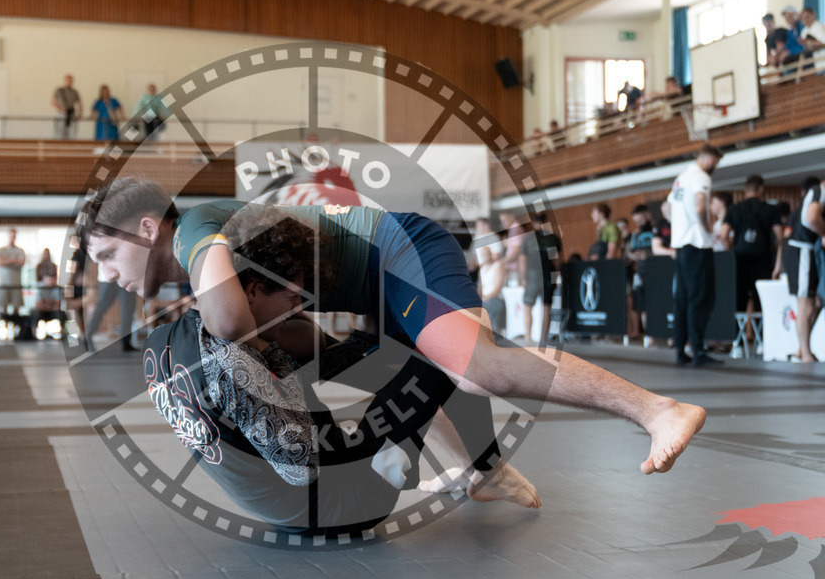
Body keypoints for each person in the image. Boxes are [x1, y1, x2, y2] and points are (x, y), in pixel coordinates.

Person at [80, 177, 707, 477]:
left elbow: (226, 318)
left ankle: (656, 409)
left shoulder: (192, 230)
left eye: (107, 257)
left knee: (477, 368)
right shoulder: (199, 250)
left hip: (396, 249)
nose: (111, 276)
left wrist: (213, 340)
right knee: (362, 360)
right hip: (366, 283)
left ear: (145, 229)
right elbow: (292, 339)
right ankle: (481, 476)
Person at [139, 211, 538, 535]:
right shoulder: (235, 362)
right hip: (345, 505)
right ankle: (484, 469)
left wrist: (342, 350)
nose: (298, 307)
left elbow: (313, 363)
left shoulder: (160, 342)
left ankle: (479, 467)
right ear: (252, 289)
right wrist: (272, 354)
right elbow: (301, 466)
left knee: (374, 357)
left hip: (282, 508)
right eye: (292, 297)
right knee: (434, 358)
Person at [669, 144, 723, 367]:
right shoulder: (701, 176)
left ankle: (681, 350)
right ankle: (699, 351)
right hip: (698, 244)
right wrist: (706, 230)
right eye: (716, 163)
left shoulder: (681, 177)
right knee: (700, 299)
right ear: (710, 159)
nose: (715, 167)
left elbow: (667, 207)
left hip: (681, 244)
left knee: (682, 299)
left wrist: (679, 228)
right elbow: (701, 207)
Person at [720, 176, 783, 318]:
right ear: (761, 188)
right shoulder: (770, 210)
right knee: (762, 302)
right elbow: (780, 237)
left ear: (745, 189)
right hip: (763, 262)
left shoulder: (733, 210)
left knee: (739, 300)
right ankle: (762, 337)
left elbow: (723, 235)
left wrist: (730, 250)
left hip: (740, 262)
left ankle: (739, 338)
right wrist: (774, 252)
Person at [783, 177, 824, 362]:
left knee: (815, 303)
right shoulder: (819, 191)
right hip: (802, 251)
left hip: (804, 252)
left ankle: (802, 349)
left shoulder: (814, 193)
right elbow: (812, 217)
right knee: (805, 305)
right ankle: (805, 354)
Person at [520, 212, 562, 345]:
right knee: (546, 307)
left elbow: (522, 260)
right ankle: (543, 338)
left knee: (528, 306)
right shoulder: (554, 238)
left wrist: (523, 278)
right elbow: (558, 261)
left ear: (533, 222)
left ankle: (528, 336)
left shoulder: (527, 238)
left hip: (532, 274)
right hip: (548, 274)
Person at [85, 265, 137, 352]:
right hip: (107, 277)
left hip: (126, 277)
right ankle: (88, 336)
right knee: (101, 308)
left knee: (128, 309)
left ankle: (126, 342)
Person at [625, 205, 655, 335]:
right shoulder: (635, 234)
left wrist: (648, 255)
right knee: (642, 304)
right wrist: (633, 255)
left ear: (647, 215)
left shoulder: (656, 230)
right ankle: (648, 333)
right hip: (640, 271)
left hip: (655, 271)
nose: (639, 223)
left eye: (641, 220)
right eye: (636, 221)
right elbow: (630, 251)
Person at [0, 228, 26, 318]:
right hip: (4, 283)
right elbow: (0, 262)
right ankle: (5, 326)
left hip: (16, 283)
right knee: (3, 307)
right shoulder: (1, 250)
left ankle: (16, 327)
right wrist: (14, 260)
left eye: (14, 236)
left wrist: (7, 261)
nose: (12, 237)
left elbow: (21, 262)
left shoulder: (20, 251)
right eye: (11, 235)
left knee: (16, 307)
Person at [477, 245, 506, 337]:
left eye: (487, 254)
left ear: (491, 254)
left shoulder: (498, 267)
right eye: (483, 254)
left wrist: (484, 299)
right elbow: (480, 288)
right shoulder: (482, 269)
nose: (485, 256)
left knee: (486, 307)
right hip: (485, 299)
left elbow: (497, 289)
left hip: (496, 299)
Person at [30, 273, 66, 339]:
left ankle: (63, 334)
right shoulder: (39, 288)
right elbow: (38, 305)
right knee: (34, 312)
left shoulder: (58, 289)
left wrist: (45, 303)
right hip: (43, 311)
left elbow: (58, 305)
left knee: (61, 313)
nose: (50, 281)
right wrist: (51, 304)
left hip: (52, 311)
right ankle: (33, 335)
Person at [52, 74, 82, 140]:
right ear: (65, 81)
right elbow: (53, 102)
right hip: (61, 114)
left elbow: (79, 103)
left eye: (71, 81)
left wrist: (79, 114)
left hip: (71, 114)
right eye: (68, 80)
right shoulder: (59, 91)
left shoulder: (74, 92)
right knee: (59, 134)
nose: (69, 82)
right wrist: (60, 110)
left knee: (72, 133)